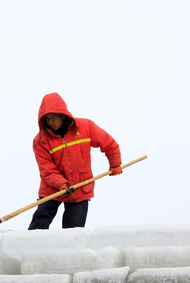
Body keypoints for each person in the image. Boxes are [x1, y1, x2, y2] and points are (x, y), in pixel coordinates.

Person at [28, 92, 122, 230]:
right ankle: (29, 249)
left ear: (62, 114)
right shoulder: (41, 141)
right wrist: (61, 183)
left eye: (53, 118)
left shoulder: (85, 127)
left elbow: (109, 143)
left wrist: (115, 164)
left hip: (79, 189)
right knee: (38, 225)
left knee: (73, 235)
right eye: (47, 119)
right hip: (53, 189)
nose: (50, 122)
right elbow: (47, 170)